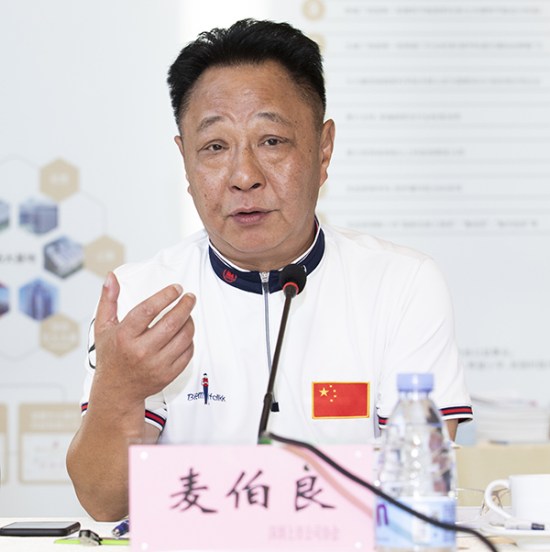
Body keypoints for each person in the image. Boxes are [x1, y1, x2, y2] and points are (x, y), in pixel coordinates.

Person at [66, 18, 473, 521]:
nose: (244, 176)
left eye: (272, 141)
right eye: (215, 147)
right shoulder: (142, 296)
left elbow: (418, 489)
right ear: (185, 159)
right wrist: (119, 388)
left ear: (324, 150)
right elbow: (105, 502)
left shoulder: (402, 283)